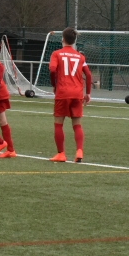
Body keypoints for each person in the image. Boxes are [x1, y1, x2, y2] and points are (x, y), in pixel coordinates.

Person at [47, 27, 92, 162]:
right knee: (77, 124)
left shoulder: (57, 54)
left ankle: (61, 154)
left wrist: (54, 85)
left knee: (58, 124)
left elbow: (52, 69)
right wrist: (88, 93)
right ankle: (79, 151)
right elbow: (89, 74)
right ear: (74, 40)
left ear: (63, 39)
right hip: (77, 93)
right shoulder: (80, 56)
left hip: (63, 92)